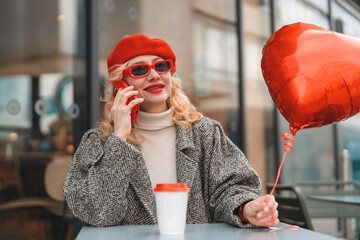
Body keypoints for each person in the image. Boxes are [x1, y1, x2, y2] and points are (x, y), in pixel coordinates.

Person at [63, 34, 279, 228]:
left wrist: (245, 208)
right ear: (120, 84)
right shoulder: (97, 142)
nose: (154, 75)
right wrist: (119, 138)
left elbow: (232, 187)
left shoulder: (204, 133)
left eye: (161, 66)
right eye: (139, 70)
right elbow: (98, 214)